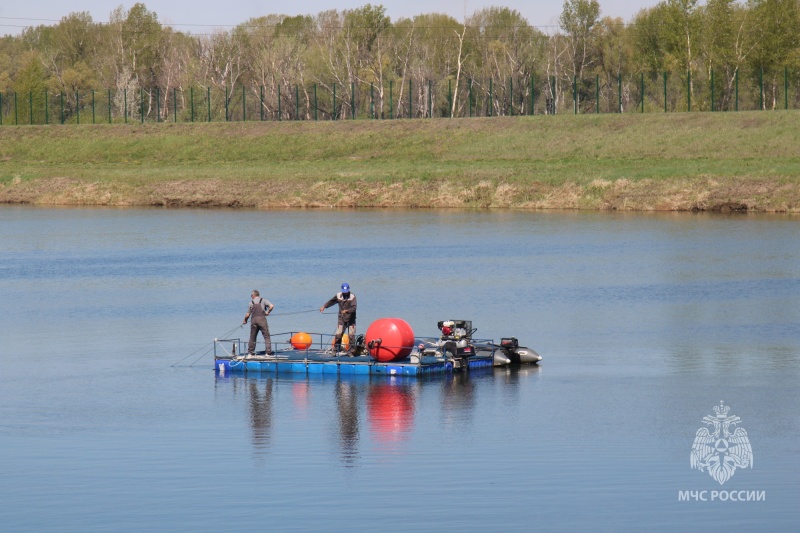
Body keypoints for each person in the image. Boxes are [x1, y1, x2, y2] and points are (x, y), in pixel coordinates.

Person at [320, 283, 357, 354]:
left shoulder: (352, 297)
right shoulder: (338, 296)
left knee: (351, 335)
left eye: (346, 292)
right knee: (338, 334)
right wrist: (324, 306)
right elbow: (331, 301)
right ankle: (336, 349)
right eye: (344, 292)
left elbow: (354, 308)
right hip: (341, 319)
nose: (345, 293)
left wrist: (347, 311)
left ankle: (351, 351)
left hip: (351, 319)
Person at [244, 289, 275, 356]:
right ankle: (268, 352)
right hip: (262, 320)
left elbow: (247, 315)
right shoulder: (263, 300)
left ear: (253, 295)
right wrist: (268, 312)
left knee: (252, 337)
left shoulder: (251, 303)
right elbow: (271, 306)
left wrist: (245, 320)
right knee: (266, 336)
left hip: (254, 321)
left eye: (251, 295)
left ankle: (250, 352)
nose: (251, 296)